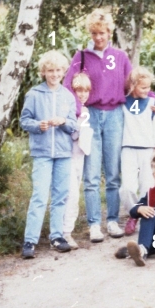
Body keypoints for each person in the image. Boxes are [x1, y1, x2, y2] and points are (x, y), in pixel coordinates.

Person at [63, 9, 131, 242]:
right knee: (91, 174)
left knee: (113, 173)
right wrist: (76, 113)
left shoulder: (120, 56)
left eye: (102, 33)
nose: (98, 37)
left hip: (114, 116)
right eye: (94, 33)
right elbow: (68, 88)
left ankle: (112, 220)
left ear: (109, 31)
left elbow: (133, 86)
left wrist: (153, 96)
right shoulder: (81, 57)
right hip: (90, 115)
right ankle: (94, 224)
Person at [20, 50, 78, 259]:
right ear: (43, 72)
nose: (54, 74)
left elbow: (73, 125)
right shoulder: (34, 94)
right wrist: (38, 125)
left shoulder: (67, 96)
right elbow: (24, 121)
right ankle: (30, 240)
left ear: (64, 72)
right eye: (50, 70)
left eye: (58, 70)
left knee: (61, 195)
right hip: (42, 152)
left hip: (63, 152)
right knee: (40, 195)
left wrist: (63, 122)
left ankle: (56, 236)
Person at [121, 66, 155, 236]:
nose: (147, 90)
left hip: (148, 150)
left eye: (149, 87)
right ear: (133, 85)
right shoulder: (123, 101)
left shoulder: (152, 103)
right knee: (127, 187)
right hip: (128, 148)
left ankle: (147, 218)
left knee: (147, 187)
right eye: (143, 87)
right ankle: (134, 213)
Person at [62, 72, 94, 249]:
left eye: (86, 91)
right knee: (70, 195)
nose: (82, 94)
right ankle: (64, 232)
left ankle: (65, 230)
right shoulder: (69, 110)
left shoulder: (86, 111)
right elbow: (71, 134)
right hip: (68, 157)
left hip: (79, 156)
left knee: (75, 193)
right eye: (78, 90)